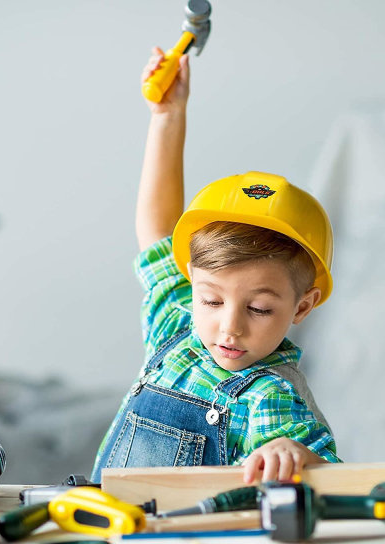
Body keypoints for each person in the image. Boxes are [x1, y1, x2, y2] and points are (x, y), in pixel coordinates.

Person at [91, 48, 340, 485]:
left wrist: (295, 453)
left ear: (302, 306)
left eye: (259, 308)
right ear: (193, 285)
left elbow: (334, 479)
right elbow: (157, 234)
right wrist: (167, 117)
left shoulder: (269, 397)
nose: (229, 328)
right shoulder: (175, 326)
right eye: (210, 300)